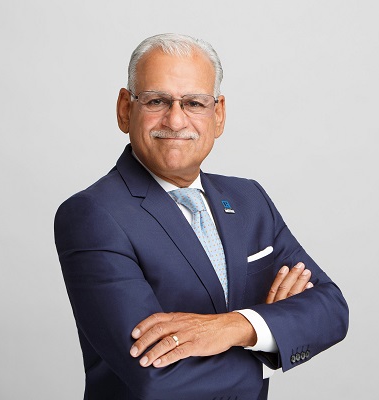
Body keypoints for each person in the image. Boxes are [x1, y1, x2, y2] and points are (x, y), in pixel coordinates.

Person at [54, 33, 348, 400]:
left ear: (218, 114)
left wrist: (236, 327)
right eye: (157, 101)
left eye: (194, 102)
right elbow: (155, 377)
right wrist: (267, 343)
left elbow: (331, 309)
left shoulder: (249, 200)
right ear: (125, 109)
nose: (176, 120)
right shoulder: (93, 215)